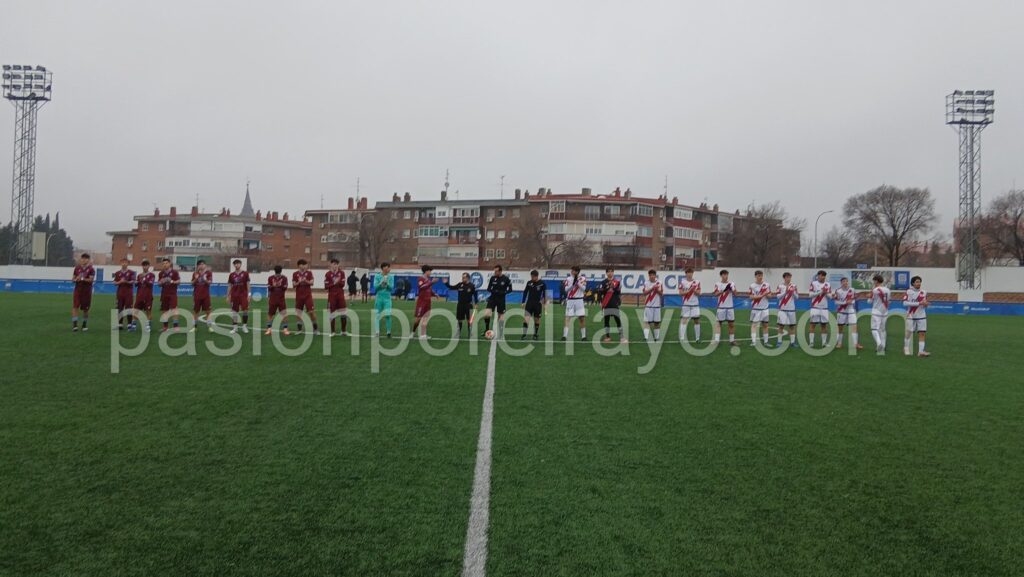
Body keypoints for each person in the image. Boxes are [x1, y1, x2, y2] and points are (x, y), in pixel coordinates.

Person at [481, 264, 512, 337]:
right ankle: (487, 330)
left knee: (501, 316)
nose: (495, 272)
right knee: (487, 314)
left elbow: (510, 289)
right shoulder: (492, 278)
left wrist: (504, 292)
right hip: (492, 298)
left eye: (496, 271)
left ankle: (500, 332)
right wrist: (493, 291)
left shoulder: (506, 279)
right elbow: (488, 288)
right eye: (494, 271)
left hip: (501, 299)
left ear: (500, 271)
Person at [833, 277, 863, 350]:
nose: (845, 283)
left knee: (854, 327)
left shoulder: (852, 290)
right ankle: (839, 343)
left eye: (846, 281)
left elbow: (855, 299)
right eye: (843, 281)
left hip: (851, 311)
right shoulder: (838, 291)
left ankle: (855, 344)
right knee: (840, 328)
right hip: (841, 311)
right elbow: (836, 302)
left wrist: (854, 305)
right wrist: (845, 302)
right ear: (841, 283)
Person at [445, 272, 478, 339]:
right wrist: (446, 283)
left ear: (468, 278)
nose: (462, 278)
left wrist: (476, 303)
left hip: (468, 305)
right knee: (459, 319)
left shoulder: (472, 286)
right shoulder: (460, 284)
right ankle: (458, 333)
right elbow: (452, 287)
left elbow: (475, 295)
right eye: (462, 277)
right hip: (460, 305)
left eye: (464, 277)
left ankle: (470, 333)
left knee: (469, 320)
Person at [903, 275, 930, 357]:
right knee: (909, 332)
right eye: (917, 282)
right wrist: (919, 303)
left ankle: (921, 352)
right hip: (911, 315)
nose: (919, 283)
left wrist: (926, 304)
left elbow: (925, 303)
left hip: (922, 315)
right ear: (913, 283)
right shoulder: (908, 292)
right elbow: (904, 303)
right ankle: (906, 348)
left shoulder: (924, 292)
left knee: (922, 333)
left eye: (920, 282)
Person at [293, 259, 319, 335]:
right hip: (299, 296)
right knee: (298, 313)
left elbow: (312, 283)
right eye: (303, 264)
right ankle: (299, 330)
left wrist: (306, 281)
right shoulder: (295, 274)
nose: (305, 266)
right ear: (299, 265)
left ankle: (315, 329)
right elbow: (294, 285)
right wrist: (299, 282)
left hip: (307, 296)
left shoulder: (309, 273)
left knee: (311, 312)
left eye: (306, 264)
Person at [712, 269, 738, 346]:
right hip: (721, 307)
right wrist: (724, 290)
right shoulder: (717, 284)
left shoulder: (732, 283)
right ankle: (717, 341)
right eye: (724, 275)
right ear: (721, 276)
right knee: (718, 324)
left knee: (731, 324)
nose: (725, 276)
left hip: (730, 307)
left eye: (726, 274)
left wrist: (732, 290)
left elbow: (736, 294)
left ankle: (732, 340)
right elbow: (716, 294)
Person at [71, 253, 96, 332]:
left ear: (88, 260)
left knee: (85, 309)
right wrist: (75, 279)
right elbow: (73, 279)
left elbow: (91, 280)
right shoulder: (77, 268)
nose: (83, 260)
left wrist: (81, 279)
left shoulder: (91, 269)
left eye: (85, 258)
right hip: (78, 290)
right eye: (82, 258)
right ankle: (75, 325)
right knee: (75, 307)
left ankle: (84, 325)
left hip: (86, 291)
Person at [562, 266, 587, 341]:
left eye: (574, 271)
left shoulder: (582, 278)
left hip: (579, 300)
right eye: (572, 270)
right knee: (567, 318)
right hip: (570, 300)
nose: (572, 272)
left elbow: (584, 289)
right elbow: (566, 290)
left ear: (577, 272)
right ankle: (564, 336)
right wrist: (572, 285)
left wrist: (578, 283)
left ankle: (583, 336)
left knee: (581, 318)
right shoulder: (568, 279)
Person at [599, 268, 624, 343]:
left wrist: (613, 287)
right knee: (606, 321)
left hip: (614, 303)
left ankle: (622, 337)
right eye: (608, 272)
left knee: (617, 320)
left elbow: (618, 292)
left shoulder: (617, 282)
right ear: (606, 273)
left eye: (611, 271)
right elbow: (600, 292)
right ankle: (607, 337)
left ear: (613, 273)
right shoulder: (603, 282)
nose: (610, 273)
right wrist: (601, 302)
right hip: (606, 303)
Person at [808, 270, 832, 348]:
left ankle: (824, 343)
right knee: (812, 325)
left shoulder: (828, 284)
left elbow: (830, 297)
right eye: (820, 275)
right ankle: (811, 342)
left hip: (824, 308)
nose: (821, 277)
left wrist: (826, 293)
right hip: (815, 307)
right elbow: (810, 295)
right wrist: (820, 292)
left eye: (823, 276)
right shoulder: (814, 284)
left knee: (824, 325)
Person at [325, 259, 349, 336]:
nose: (335, 266)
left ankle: (344, 331)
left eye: (336, 264)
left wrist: (338, 282)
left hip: (340, 295)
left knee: (343, 313)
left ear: (338, 265)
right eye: (333, 264)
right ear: (331, 265)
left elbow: (342, 284)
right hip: (331, 296)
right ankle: (333, 332)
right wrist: (334, 283)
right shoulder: (328, 274)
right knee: (332, 314)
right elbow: (326, 286)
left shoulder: (342, 273)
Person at [775, 272, 799, 348]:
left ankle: (792, 343)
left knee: (792, 326)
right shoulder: (780, 286)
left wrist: (793, 293)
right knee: (781, 326)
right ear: (784, 278)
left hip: (791, 309)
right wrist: (785, 292)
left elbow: (797, 297)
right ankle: (779, 342)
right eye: (787, 277)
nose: (789, 278)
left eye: (790, 277)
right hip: (782, 309)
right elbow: (777, 297)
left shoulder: (794, 286)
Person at [748, 270, 771, 347]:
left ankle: (766, 342)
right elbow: (751, 297)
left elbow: (770, 296)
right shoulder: (752, 286)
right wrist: (761, 295)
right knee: (754, 325)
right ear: (755, 276)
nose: (760, 277)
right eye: (758, 276)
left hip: (765, 309)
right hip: (755, 309)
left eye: (761, 275)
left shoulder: (767, 285)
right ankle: (754, 342)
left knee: (765, 325)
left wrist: (767, 295)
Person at [521, 270, 546, 341]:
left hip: (538, 304)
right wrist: (523, 301)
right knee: (526, 319)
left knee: (537, 319)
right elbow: (525, 292)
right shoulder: (529, 283)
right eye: (531, 276)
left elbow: (545, 294)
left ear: (536, 276)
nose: (531, 278)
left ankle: (535, 334)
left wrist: (544, 303)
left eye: (532, 277)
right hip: (529, 303)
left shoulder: (542, 283)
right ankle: (524, 334)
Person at [157, 258, 181, 332]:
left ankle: (176, 327)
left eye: (166, 263)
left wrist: (171, 281)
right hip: (164, 294)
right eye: (163, 263)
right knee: (164, 311)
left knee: (174, 310)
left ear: (170, 264)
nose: (165, 264)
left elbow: (179, 282)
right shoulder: (161, 273)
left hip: (172, 294)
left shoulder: (174, 272)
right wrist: (161, 282)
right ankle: (165, 327)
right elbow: (159, 284)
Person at [112, 257, 136, 331]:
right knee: (119, 308)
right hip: (120, 293)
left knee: (129, 308)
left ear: (128, 263)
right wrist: (120, 282)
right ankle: (120, 324)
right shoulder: (117, 273)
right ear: (120, 263)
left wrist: (126, 281)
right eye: (123, 262)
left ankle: (129, 324)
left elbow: (133, 281)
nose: (124, 264)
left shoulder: (131, 272)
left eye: (125, 262)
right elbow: (114, 283)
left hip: (128, 293)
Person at [412, 265, 435, 339]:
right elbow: (421, 287)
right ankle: (413, 333)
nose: (430, 272)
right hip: (422, 302)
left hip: (428, 301)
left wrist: (434, 294)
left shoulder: (428, 280)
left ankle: (423, 335)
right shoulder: (421, 278)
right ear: (426, 271)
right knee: (418, 319)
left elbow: (429, 289)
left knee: (426, 318)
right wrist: (432, 283)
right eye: (430, 271)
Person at [190, 260, 214, 332]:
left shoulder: (208, 273)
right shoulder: (195, 273)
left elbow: (210, 283)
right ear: (198, 266)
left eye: (203, 264)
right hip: (197, 295)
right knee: (195, 312)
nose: (201, 265)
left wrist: (205, 279)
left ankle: (209, 327)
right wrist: (196, 279)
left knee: (208, 311)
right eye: (200, 264)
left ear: (205, 265)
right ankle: (195, 327)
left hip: (206, 296)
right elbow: (191, 284)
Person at [266, 265, 290, 336]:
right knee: (270, 314)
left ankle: (285, 329)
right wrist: (274, 285)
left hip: (281, 298)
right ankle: (269, 329)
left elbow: (285, 287)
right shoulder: (270, 278)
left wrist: (278, 285)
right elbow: (269, 287)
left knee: (283, 314)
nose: (278, 274)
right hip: (273, 298)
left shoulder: (284, 278)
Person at [678, 268, 701, 343]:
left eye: (691, 272)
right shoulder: (682, 282)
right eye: (688, 272)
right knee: (684, 320)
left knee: (696, 320)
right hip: (686, 304)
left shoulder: (697, 282)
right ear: (686, 273)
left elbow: (699, 293)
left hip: (695, 304)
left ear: (693, 273)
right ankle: (682, 338)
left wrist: (694, 290)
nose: (690, 274)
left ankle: (697, 338)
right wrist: (689, 290)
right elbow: (680, 293)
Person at [227, 259, 250, 333]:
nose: (237, 265)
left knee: (245, 311)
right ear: (234, 265)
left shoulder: (245, 273)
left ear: (240, 264)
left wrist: (249, 294)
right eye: (235, 264)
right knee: (234, 312)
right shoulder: (231, 275)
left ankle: (244, 326)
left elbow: (248, 284)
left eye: (238, 263)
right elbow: (230, 285)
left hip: (243, 295)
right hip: (234, 295)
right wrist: (228, 295)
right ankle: (235, 328)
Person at [869, 274, 890, 353]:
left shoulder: (875, 290)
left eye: (874, 281)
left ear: (876, 281)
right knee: (883, 330)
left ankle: (879, 343)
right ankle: (883, 346)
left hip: (876, 312)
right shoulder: (888, 290)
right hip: (885, 312)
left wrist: (869, 297)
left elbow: (870, 301)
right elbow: (888, 301)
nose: (873, 282)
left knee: (874, 329)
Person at [641, 269, 664, 341]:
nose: (651, 276)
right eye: (650, 275)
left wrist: (656, 290)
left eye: (653, 275)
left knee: (656, 323)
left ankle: (656, 337)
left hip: (657, 306)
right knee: (647, 322)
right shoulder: (646, 283)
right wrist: (652, 288)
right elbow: (644, 293)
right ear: (649, 276)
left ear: (655, 275)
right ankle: (646, 337)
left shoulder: (659, 283)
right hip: (648, 305)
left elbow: (661, 294)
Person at [134, 260, 156, 332]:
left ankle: (148, 326)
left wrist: (144, 279)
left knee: (148, 311)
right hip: (139, 296)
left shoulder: (151, 275)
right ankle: (134, 326)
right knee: (136, 311)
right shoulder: (139, 275)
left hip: (148, 296)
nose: (145, 267)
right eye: (143, 265)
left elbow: (150, 283)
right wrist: (137, 282)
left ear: (149, 266)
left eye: (146, 265)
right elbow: (136, 284)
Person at [373, 263, 393, 337]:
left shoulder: (391, 277)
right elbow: (375, 287)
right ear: (383, 268)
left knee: (388, 315)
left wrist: (387, 284)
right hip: (379, 298)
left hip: (387, 298)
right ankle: (377, 332)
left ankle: (388, 332)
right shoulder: (377, 276)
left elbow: (391, 288)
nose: (389, 269)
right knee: (377, 315)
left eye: (389, 268)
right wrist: (381, 284)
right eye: (388, 268)